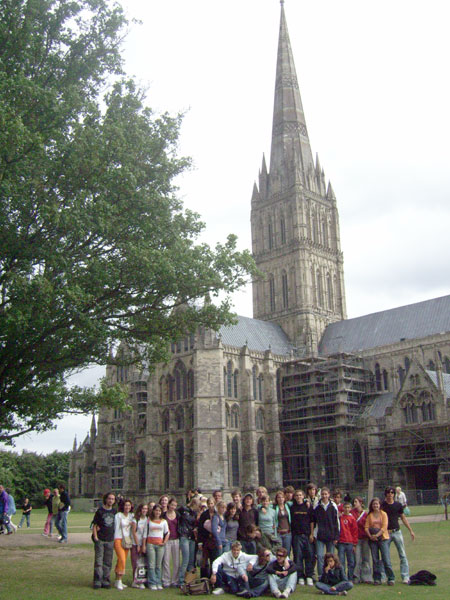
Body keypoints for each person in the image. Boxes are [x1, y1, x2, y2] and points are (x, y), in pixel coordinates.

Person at [381, 486, 415, 584]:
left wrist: (410, 530)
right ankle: (384, 576)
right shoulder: (382, 505)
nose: (390, 494)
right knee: (385, 555)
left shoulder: (398, 505)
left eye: (392, 493)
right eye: (388, 492)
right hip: (386, 532)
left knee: (402, 554)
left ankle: (405, 576)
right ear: (386, 494)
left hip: (397, 531)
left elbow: (403, 518)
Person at [364, 497, 394, 586]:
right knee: (375, 559)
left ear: (379, 505)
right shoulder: (370, 515)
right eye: (374, 504)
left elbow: (384, 527)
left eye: (377, 504)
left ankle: (391, 578)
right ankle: (377, 578)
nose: (375, 505)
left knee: (386, 559)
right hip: (373, 540)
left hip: (383, 538)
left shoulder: (383, 514)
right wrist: (371, 536)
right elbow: (366, 527)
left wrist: (377, 535)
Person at [290, 489, 314, 586]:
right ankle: (300, 576)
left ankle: (309, 576)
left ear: (303, 496)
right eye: (297, 495)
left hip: (307, 535)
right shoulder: (292, 507)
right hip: (297, 535)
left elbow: (312, 521)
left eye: (300, 495)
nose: (299, 497)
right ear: (294, 497)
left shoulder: (308, 507)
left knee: (309, 555)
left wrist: (312, 534)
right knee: (298, 556)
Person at [92, 492, 116, 589]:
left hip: (110, 540)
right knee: (98, 561)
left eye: (112, 499)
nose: (111, 500)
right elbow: (94, 525)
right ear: (106, 499)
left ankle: (106, 580)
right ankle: (97, 581)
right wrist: (96, 537)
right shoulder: (100, 511)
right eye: (109, 498)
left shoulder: (115, 512)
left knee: (108, 562)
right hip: (101, 539)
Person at [314, 487, 340, 577]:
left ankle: (331, 574)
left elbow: (336, 522)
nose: (324, 496)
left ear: (329, 495)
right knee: (320, 556)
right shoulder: (317, 506)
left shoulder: (333, 506)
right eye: (323, 494)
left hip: (331, 536)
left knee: (331, 558)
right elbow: (314, 522)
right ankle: (321, 575)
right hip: (320, 536)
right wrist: (314, 534)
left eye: (326, 494)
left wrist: (336, 536)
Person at [143, 503, 169, 590]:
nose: (157, 512)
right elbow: (145, 533)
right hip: (150, 544)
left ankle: (158, 582)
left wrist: (164, 542)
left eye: (159, 510)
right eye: (156, 510)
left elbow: (167, 533)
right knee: (151, 565)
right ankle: (152, 583)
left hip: (160, 545)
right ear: (153, 511)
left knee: (158, 565)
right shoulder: (149, 520)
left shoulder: (164, 521)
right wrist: (144, 545)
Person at [178, 497, 200, 586]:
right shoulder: (183, 509)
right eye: (198, 506)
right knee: (185, 559)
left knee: (191, 560)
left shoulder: (195, 513)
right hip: (184, 536)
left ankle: (189, 580)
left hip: (192, 537)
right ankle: (181, 580)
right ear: (194, 504)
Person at [113, 498, 134, 590]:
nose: (127, 507)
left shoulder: (131, 515)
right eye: (126, 505)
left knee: (121, 560)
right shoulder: (118, 515)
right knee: (122, 559)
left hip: (127, 540)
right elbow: (116, 527)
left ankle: (117, 580)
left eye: (129, 505)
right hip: (118, 538)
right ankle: (119, 580)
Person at [350, 497, 372, 584]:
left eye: (356, 502)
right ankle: (356, 576)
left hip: (365, 538)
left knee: (366, 558)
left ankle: (366, 577)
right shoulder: (352, 513)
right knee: (357, 558)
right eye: (354, 502)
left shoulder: (365, 514)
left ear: (360, 503)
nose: (354, 503)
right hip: (356, 539)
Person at [162, 497, 180, 588]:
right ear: (168, 505)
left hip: (176, 540)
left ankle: (175, 581)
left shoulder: (177, 515)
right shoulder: (164, 515)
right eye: (172, 505)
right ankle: (166, 581)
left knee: (176, 561)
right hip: (167, 540)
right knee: (166, 561)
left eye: (175, 505)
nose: (173, 507)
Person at [337, 502, 358, 582]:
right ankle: (343, 577)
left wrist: (354, 544)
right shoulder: (340, 518)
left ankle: (350, 578)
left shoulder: (352, 518)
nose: (347, 509)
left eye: (348, 507)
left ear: (351, 509)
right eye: (345, 507)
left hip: (350, 542)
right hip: (341, 542)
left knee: (351, 561)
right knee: (341, 561)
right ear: (343, 508)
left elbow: (355, 532)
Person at [131, 503, 148, 589]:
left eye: (146, 509)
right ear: (140, 510)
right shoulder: (135, 520)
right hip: (135, 543)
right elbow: (134, 532)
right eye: (143, 509)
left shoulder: (147, 519)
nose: (144, 510)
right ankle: (135, 581)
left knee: (142, 563)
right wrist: (138, 545)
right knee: (135, 562)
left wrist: (143, 545)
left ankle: (141, 580)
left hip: (143, 543)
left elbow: (145, 533)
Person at [273, 491, 291, 556]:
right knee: (279, 552)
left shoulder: (288, 505)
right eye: (279, 497)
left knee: (287, 552)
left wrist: (307, 501)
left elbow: (300, 500)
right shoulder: (274, 507)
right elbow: (262, 505)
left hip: (287, 533)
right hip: (278, 533)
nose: (280, 499)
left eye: (282, 497)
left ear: (284, 498)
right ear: (276, 499)